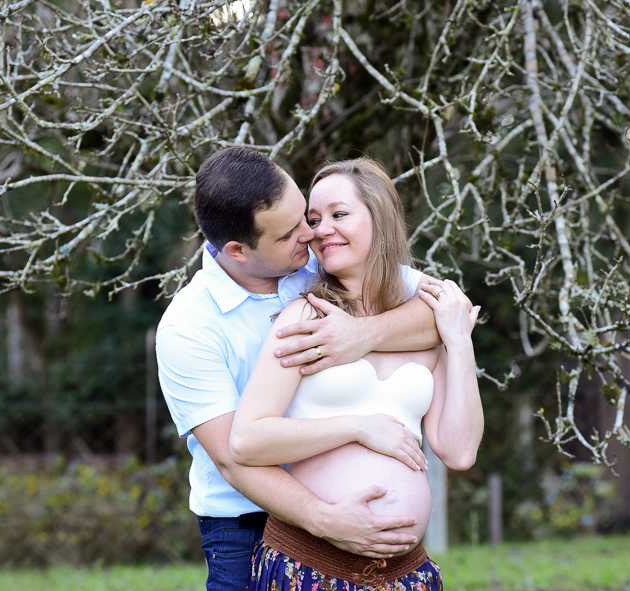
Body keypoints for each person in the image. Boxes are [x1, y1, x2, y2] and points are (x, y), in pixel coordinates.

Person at [156, 147, 443, 591]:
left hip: (348, 509)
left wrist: (364, 335)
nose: (310, 236)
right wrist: (324, 518)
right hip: (245, 524)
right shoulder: (188, 329)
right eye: (291, 232)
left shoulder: (317, 260)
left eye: (305, 219)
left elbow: (445, 310)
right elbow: (236, 459)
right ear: (237, 250)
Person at [229, 157, 484, 589]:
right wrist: (359, 428)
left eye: (338, 214)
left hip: (404, 576)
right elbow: (248, 439)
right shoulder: (306, 318)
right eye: (313, 219)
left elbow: (459, 452)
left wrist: (459, 342)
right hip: (309, 567)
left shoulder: (423, 325)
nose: (320, 229)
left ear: (379, 218)